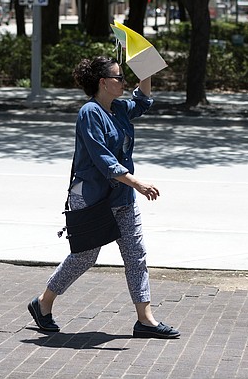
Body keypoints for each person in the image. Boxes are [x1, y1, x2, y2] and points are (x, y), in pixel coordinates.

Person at [27, 56, 180, 339]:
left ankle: (145, 320)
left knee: (136, 256)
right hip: (93, 197)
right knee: (84, 257)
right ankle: (43, 302)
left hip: (122, 196)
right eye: (118, 78)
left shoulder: (119, 108)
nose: (123, 82)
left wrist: (145, 66)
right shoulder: (90, 113)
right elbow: (103, 159)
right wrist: (138, 183)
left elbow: (143, 100)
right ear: (103, 82)